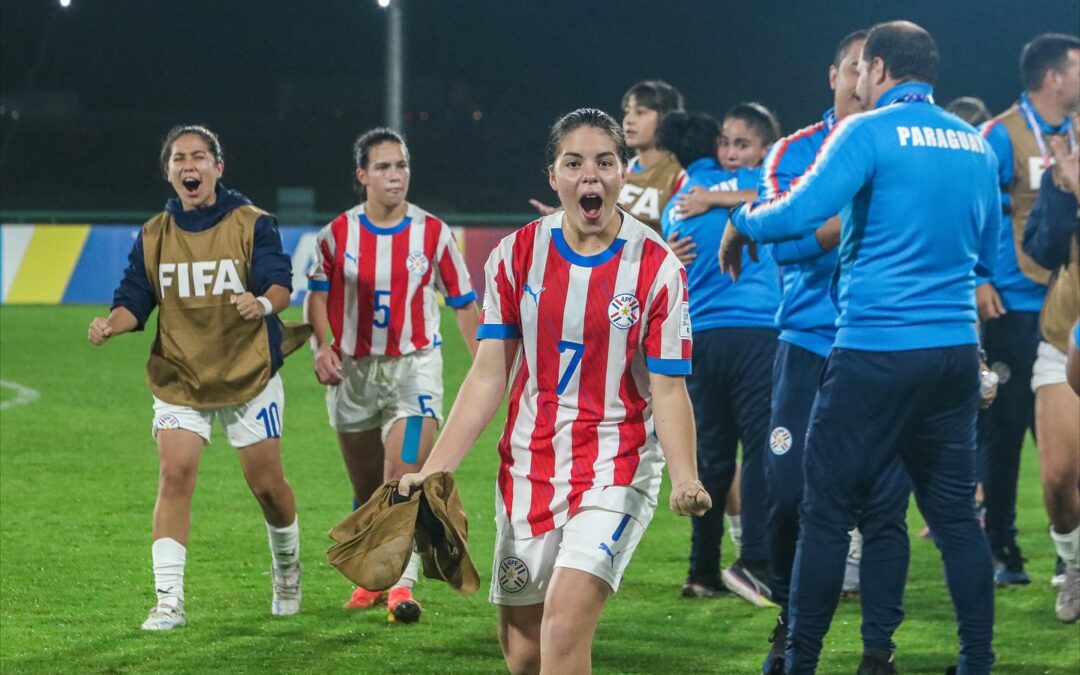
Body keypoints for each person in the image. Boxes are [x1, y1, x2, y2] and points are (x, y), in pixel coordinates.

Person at [720, 21, 1000, 672]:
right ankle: (975, 661)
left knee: (824, 514)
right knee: (955, 519)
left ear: (875, 70)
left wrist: (739, 222)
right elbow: (987, 254)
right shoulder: (974, 143)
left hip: (874, 348)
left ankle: (800, 659)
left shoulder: (866, 131)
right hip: (954, 350)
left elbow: (795, 212)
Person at [398, 108, 711, 674]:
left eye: (605, 162)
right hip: (529, 467)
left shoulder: (657, 266)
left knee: (564, 626)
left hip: (617, 465)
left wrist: (686, 476)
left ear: (623, 175)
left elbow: (668, 387)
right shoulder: (515, 256)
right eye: (574, 163)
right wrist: (433, 470)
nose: (590, 176)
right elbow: (489, 374)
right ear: (553, 176)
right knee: (524, 655)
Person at [746, 29, 915, 674]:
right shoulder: (796, 151)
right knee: (787, 493)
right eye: (848, 68)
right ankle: (791, 618)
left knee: (883, 508)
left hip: (880, 345)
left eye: (866, 69)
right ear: (834, 74)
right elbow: (782, 244)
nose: (856, 80)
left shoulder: (903, 145)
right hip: (809, 342)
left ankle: (879, 650)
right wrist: (857, 214)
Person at [88, 125, 303, 630]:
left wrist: (262, 301)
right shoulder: (153, 234)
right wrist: (110, 325)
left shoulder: (253, 223)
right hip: (181, 375)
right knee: (175, 474)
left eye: (200, 156)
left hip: (248, 373)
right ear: (169, 172)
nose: (190, 165)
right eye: (180, 158)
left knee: (268, 487)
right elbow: (134, 298)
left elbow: (280, 283)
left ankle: (288, 569)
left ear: (218, 167)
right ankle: (168, 600)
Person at [305, 127, 480, 622]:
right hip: (354, 376)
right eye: (383, 167)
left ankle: (401, 586)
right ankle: (371, 576)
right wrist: (323, 348)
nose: (395, 175)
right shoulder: (336, 235)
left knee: (403, 476)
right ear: (362, 175)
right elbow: (316, 297)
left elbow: (464, 305)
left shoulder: (433, 234)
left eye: (401, 165)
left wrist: (488, 366)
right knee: (367, 492)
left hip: (414, 371)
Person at [657, 110, 780, 607]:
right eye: (727, 142)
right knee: (760, 451)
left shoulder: (685, 194)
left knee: (710, 456)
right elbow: (785, 203)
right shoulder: (767, 180)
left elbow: (673, 247)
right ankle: (755, 563)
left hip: (700, 337)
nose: (732, 151)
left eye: (741, 144)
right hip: (758, 333)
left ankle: (701, 571)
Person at [978, 32, 1079, 586]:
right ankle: (1003, 547)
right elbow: (967, 203)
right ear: (1053, 77)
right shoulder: (998, 134)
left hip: (1068, 305)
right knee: (1005, 431)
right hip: (1013, 304)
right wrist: (978, 278)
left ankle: (1070, 554)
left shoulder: (1079, 134)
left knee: (1066, 447)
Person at [1021, 130, 1080, 622]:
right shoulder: (1063, 175)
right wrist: (1062, 192)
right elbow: (1041, 250)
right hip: (1065, 337)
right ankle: (1075, 564)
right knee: (1058, 478)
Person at [529, 80, 686, 233]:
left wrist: (666, 251)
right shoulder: (614, 169)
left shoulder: (681, 175)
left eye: (640, 112)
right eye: (627, 111)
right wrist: (564, 218)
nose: (628, 120)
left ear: (667, 118)